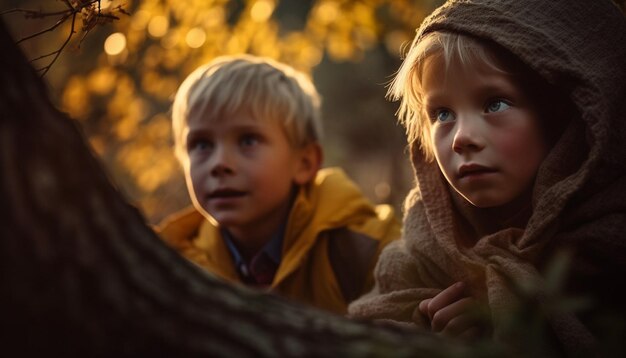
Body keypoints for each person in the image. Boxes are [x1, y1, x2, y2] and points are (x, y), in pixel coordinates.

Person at [347, 0, 626, 355]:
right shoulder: (421, 255)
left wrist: (510, 323)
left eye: (495, 103)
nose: (462, 137)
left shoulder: (611, 247)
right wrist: (428, 337)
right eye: (442, 113)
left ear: (562, 117)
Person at [157, 54, 400, 314]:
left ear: (305, 163)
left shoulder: (367, 249)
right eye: (202, 144)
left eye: (248, 141)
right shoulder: (175, 268)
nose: (220, 163)